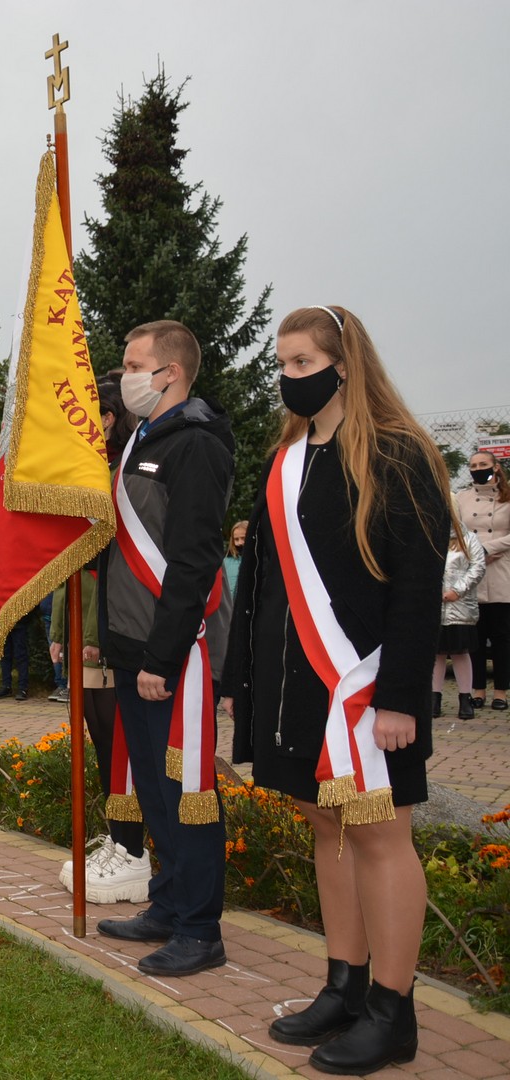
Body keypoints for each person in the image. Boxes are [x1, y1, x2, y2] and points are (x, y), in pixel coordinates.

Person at [223, 305, 452, 1072]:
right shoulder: (286, 462)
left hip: (366, 691)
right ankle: (344, 986)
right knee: (329, 827)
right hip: (297, 691)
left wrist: (399, 698)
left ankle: (392, 1011)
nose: (289, 377)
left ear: (343, 365)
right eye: (281, 365)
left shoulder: (397, 453)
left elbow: (417, 585)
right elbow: (259, 586)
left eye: (301, 363)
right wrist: (241, 681)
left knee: (382, 837)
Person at [97, 319, 233, 980]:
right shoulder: (140, 439)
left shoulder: (196, 445)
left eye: (133, 365)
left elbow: (194, 560)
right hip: (131, 646)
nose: (124, 377)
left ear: (170, 372)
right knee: (153, 789)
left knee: (186, 793)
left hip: (168, 655)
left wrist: (162, 656)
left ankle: (200, 929)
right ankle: (169, 904)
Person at [52, 374, 151, 904]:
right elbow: (71, 563)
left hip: (112, 633)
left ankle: (133, 849)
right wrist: (60, 630)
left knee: (120, 750)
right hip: (88, 629)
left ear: (108, 419)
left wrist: (93, 635)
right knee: (103, 746)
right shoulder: (94, 476)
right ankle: (119, 842)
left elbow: (111, 570)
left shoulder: (122, 476)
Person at [458, 451, 510, 711]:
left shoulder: (508, 496)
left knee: (502, 638)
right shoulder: (462, 498)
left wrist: (488, 548)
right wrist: (475, 553)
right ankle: (477, 690)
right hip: (472, 573)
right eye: (473, 465)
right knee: (475, 639)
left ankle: (501, 692)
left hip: (501, 572)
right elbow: (456, 531)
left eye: (483, 464)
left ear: (496, 467)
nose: (478, 469)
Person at [435, 526, 486, 719]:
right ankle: (434, 699)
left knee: (460, 653)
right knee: (437, 654)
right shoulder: (430, 537)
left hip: (461, 607)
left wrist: (457, 590)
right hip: (434, 606)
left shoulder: (469, 538)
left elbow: (478, 567)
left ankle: (465, 699)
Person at [222, 521, 247, 599]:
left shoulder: (260, 560)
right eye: (236, 539)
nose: (240, 543)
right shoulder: (225, 562)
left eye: (243, 538)